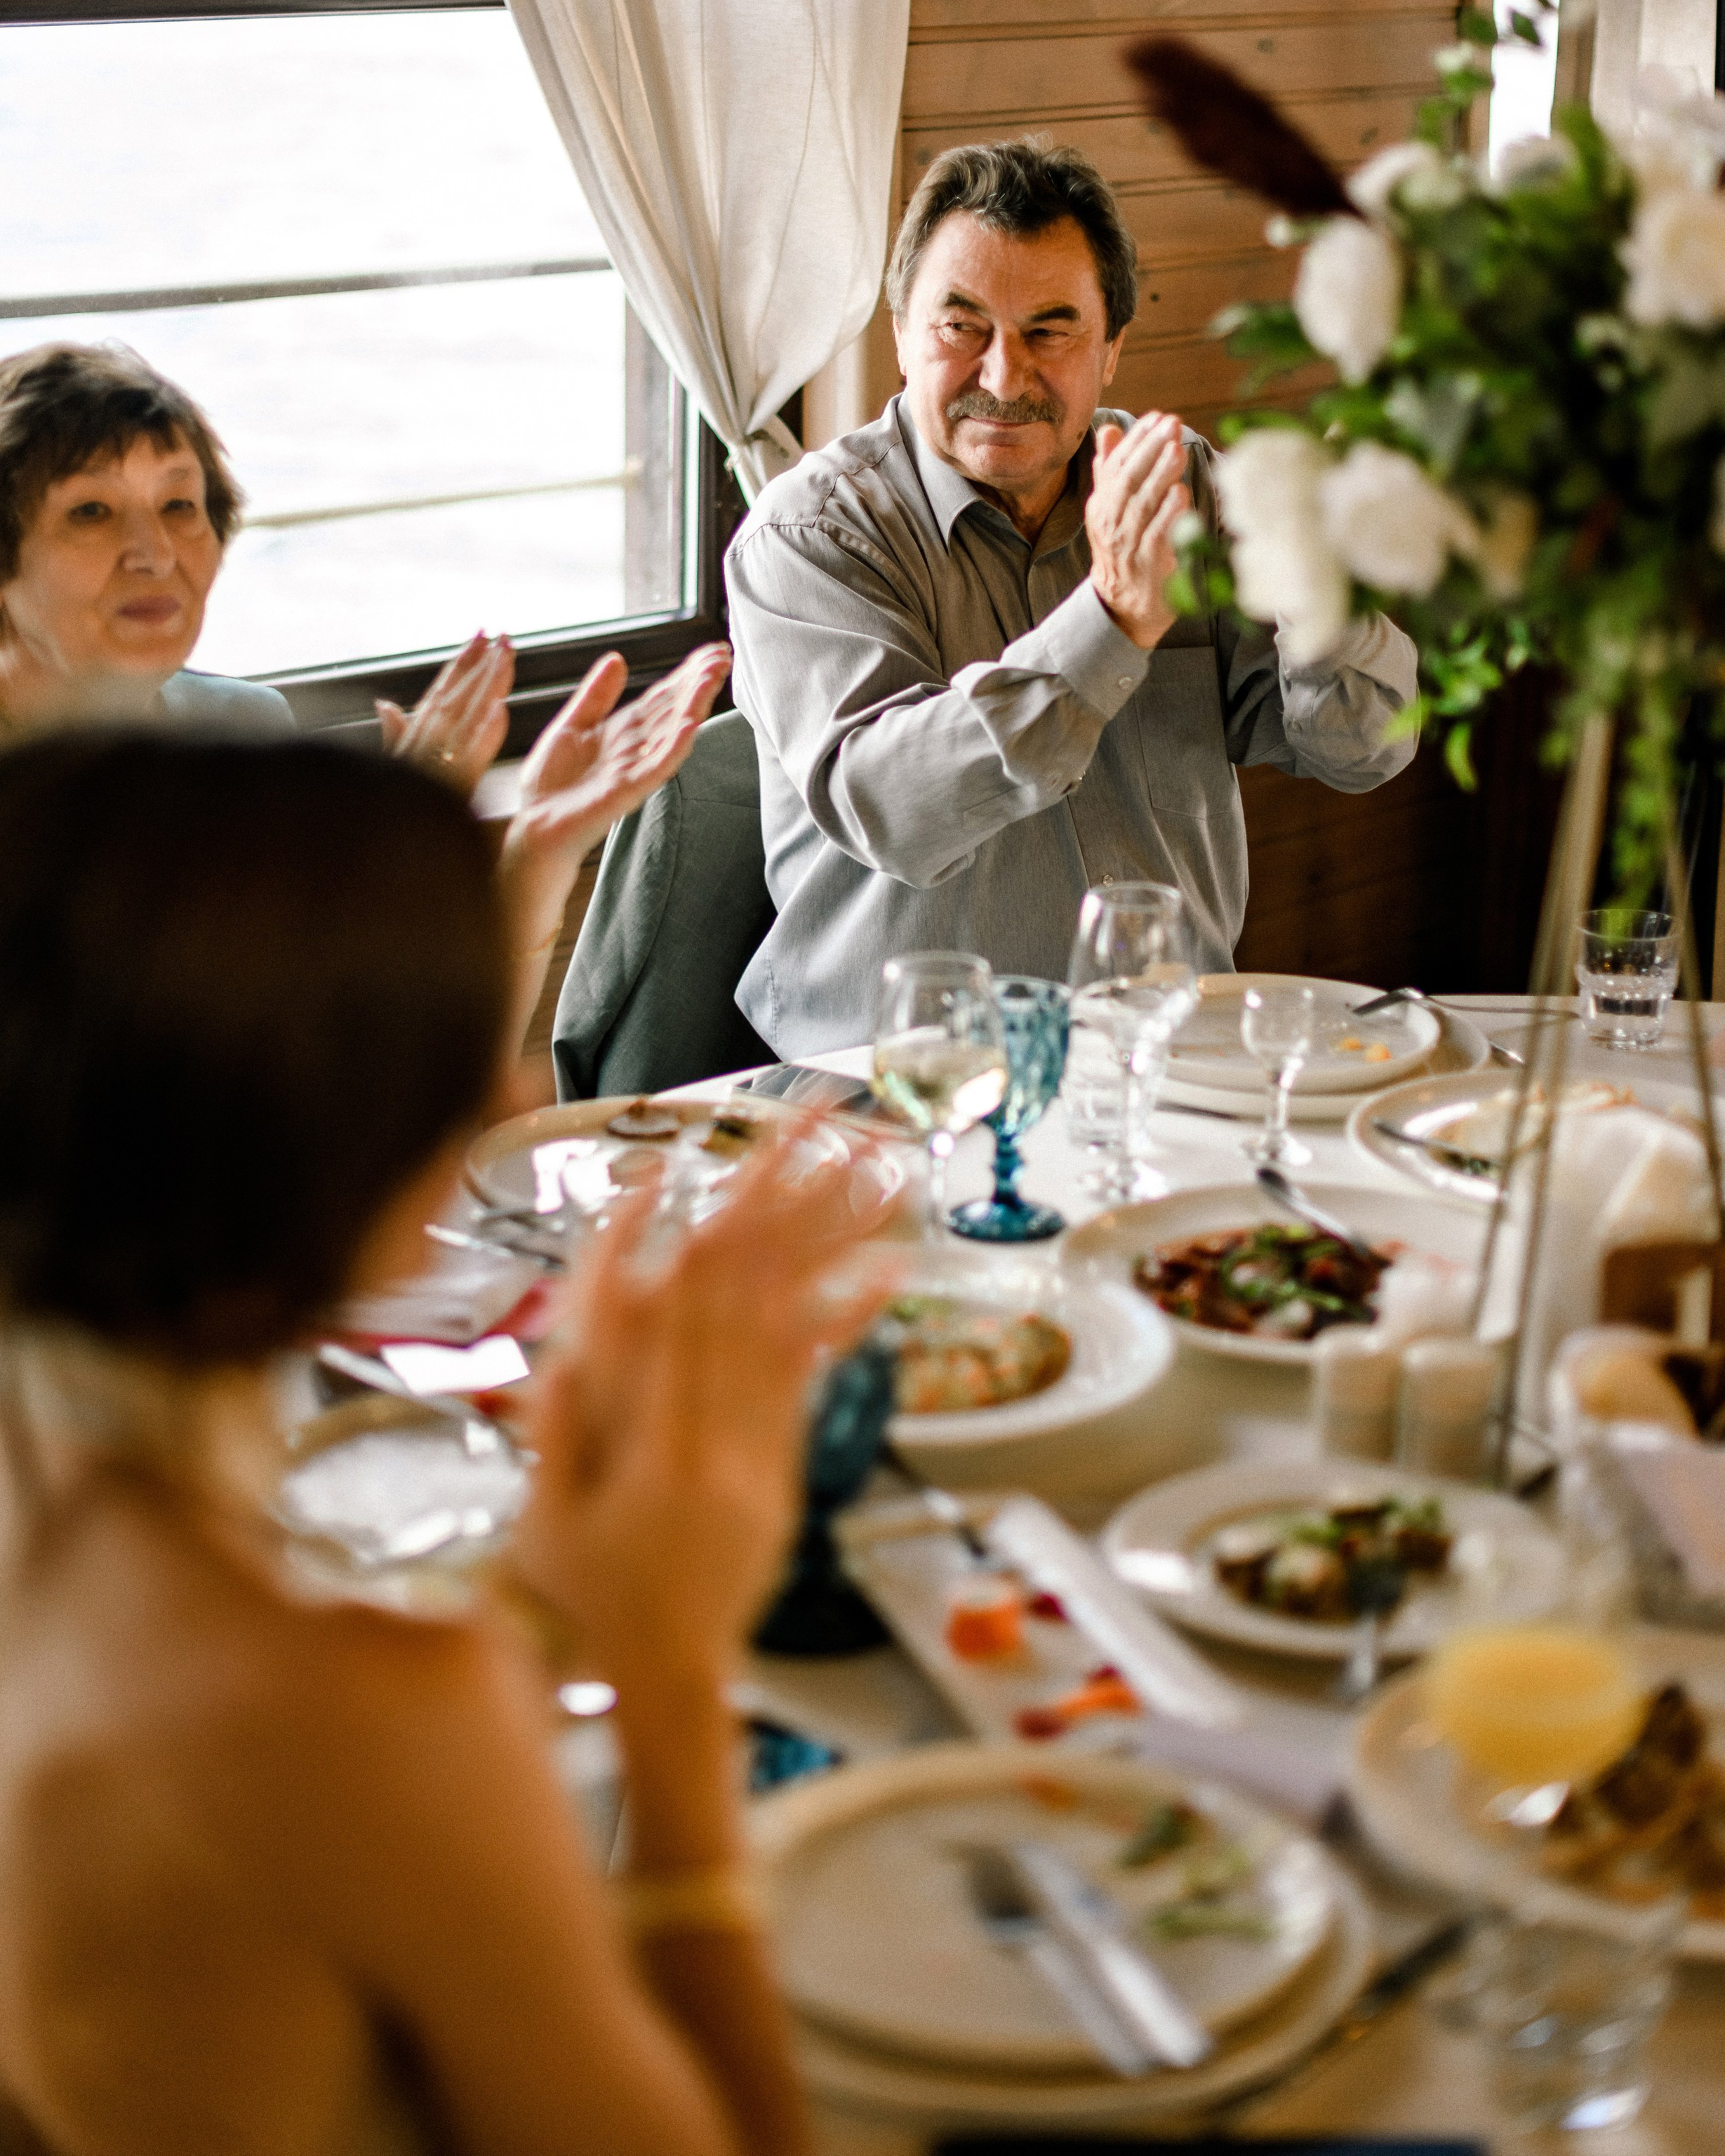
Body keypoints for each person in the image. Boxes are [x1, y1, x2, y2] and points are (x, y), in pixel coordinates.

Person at [0, 730, 895, 2156]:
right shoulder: (354, 1710)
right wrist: (669, 1679)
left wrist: (550, 1594)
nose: (495, 1102)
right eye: (447, 1061)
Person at [726, 138, 1420, 1056]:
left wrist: (1318, 591)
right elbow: (888, 807)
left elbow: (1363, 749)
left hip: (1171, 1068)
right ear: (900, 333)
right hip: (895, 1091)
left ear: (1112, 349)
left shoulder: (1183, 490)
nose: (1004, 379)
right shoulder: (809, 536)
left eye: (1049, 331)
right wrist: (1110, 627)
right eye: (959, 324)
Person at [0, 338, 731, 1051]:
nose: (155, 553)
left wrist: (537, 850)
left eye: (180, 505)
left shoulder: (246, 732)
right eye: (90, 511)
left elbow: (383, 1089)